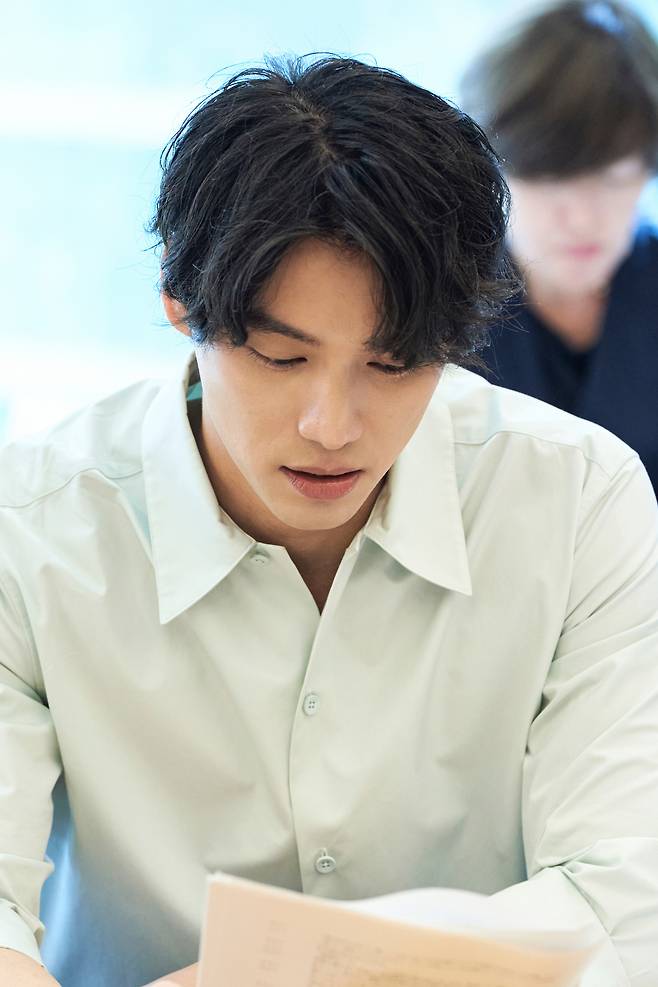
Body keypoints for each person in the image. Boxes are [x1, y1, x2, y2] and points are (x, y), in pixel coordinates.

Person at [0, 55, 656, 987]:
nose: (332, 426)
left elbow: (620, 900)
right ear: (180, 303)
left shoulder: (578, 500)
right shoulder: (31, 528)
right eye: (281, 357)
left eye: (393, 364)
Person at [459, 0, 658, 496]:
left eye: (613, 177)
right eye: (550, 180)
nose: (583, 218)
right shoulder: (440, 299)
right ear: (493, 165)